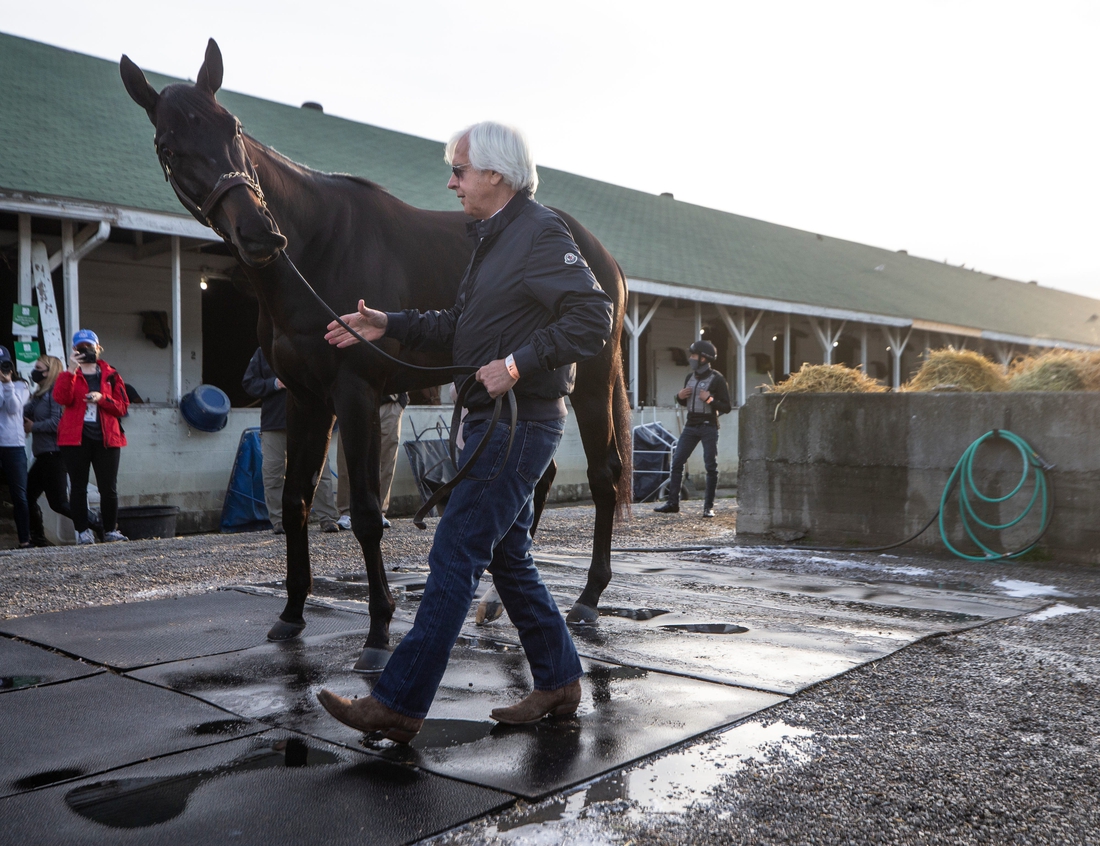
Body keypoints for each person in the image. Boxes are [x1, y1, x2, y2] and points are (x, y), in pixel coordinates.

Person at [317, 121, 614, 742]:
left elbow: (594, 317)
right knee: (509, 558)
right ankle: (558, 680)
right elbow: (459, 326)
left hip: (519, 423)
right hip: (492, 422)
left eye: (459, 170)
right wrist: (387, 321)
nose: (451, 182)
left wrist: (515, 365)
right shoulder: (491, 241)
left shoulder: (539, 233)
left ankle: (399, 702)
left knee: (455, 553)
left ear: (496, 177)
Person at [242, 347, 339, 534]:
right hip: (275, 422)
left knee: (319, 472)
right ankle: (279, 520)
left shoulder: (312, 347)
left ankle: (327, 517)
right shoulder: (265, 351)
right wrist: (274, 384)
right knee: (272, 472)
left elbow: (330, 381)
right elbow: (249, 383)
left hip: (310, 423)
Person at [54, 329, 129, 543]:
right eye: (80, 347)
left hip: (107, 438)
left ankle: (110, 530)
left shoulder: (111, 374)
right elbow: (61, 398)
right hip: (75, 439)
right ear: (74, 349)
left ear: (98, 348)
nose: (85, 350)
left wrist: (101, 398)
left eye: (89, 346)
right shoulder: (69, 374)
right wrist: (70, 369)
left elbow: (122, 407)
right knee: (78, 486)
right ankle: (82, 531)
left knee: (109, 487)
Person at [654, 339, 732, 518]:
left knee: (710, 466)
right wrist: (679, 396)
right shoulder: (689, 377)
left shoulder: (717, 379)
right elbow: (683, 401)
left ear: (704, 358)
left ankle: (708, 507)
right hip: (690, 425)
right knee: (677, 461)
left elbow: (726, 406)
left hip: (709, 426)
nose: (691, 358)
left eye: (694, 355)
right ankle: (673, 503)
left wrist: (710, 400)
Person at [24, 355, 78, 546]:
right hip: (43, 454)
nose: (35, 371)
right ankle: (37, 538)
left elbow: (58, 423)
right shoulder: (40, 393)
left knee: (59, 503)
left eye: (39, 368)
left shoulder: (56, 392)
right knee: (26, 496)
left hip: (54, 454)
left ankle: (99, 523)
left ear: (50, 371)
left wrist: (33, 427)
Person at [336, 392, 407, 530]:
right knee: (346, 458)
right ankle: (346, 511)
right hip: (353, 403)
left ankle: (379, 510)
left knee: (387, 459)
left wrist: (401, 403)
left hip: (389, 403)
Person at [0, 346, 32, 548]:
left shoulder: (21, 385)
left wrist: (8, 383)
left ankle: (24, 541)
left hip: (13, 445)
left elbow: (13, 408)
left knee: (19, 495)